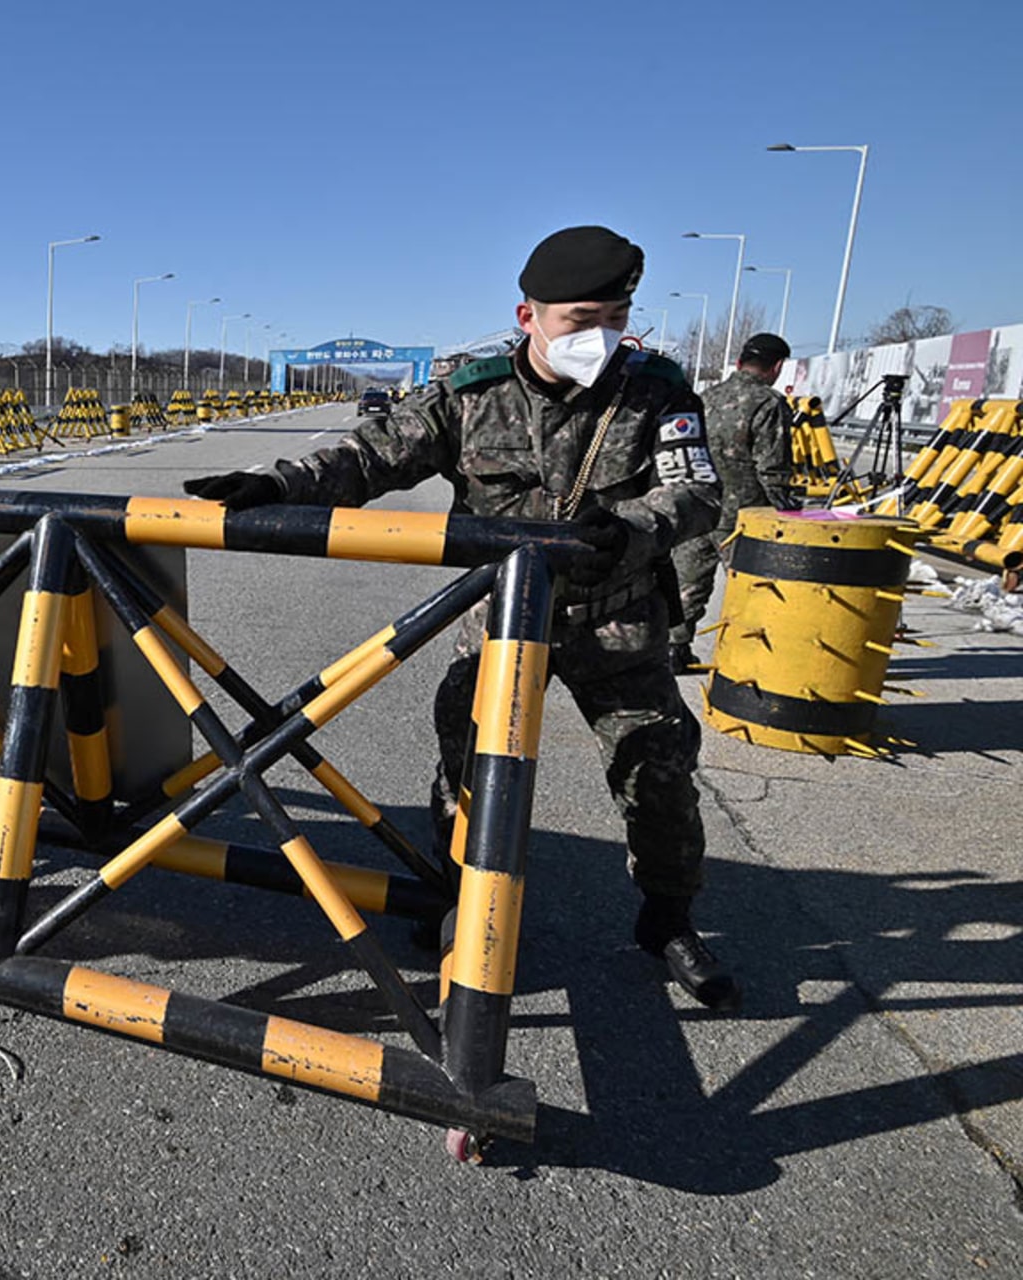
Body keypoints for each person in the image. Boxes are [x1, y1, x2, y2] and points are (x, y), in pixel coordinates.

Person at [183, 225, 742, 1011]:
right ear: (528, 317)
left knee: (659, 776)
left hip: (616, 624)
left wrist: (636, 529)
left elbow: (697, 494)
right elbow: (371, 457)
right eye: (581, 321)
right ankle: (457, 901)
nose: (601, 337)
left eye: (616, 317)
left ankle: (669, 918)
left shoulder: (656, 391)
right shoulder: (471, 396)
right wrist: (276, 487)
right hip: (501, 625)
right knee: (467, 775)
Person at [669, 333, 799, 671]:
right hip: (744, 515)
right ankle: (750, 659)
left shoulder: (704, 398)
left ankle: (674, 651)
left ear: (739, 362)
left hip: (697, 507)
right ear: (778, 366)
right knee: (755, 589)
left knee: (687, 583)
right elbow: (772, 466)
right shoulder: (768, 403)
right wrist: (787, 512)